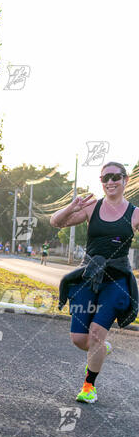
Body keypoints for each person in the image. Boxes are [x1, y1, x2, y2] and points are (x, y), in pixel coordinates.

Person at [51, 162, 139, 404]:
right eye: (105, 178)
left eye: (115, 177)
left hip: (117, 279)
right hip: (89, 275)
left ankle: (89, 386)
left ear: (125, 180)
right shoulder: (91, 207)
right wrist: (71, 207)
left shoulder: (134, 213)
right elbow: (56, 223)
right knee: (80, 340)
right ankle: (102, 347)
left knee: (96, 335)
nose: (110, 182)